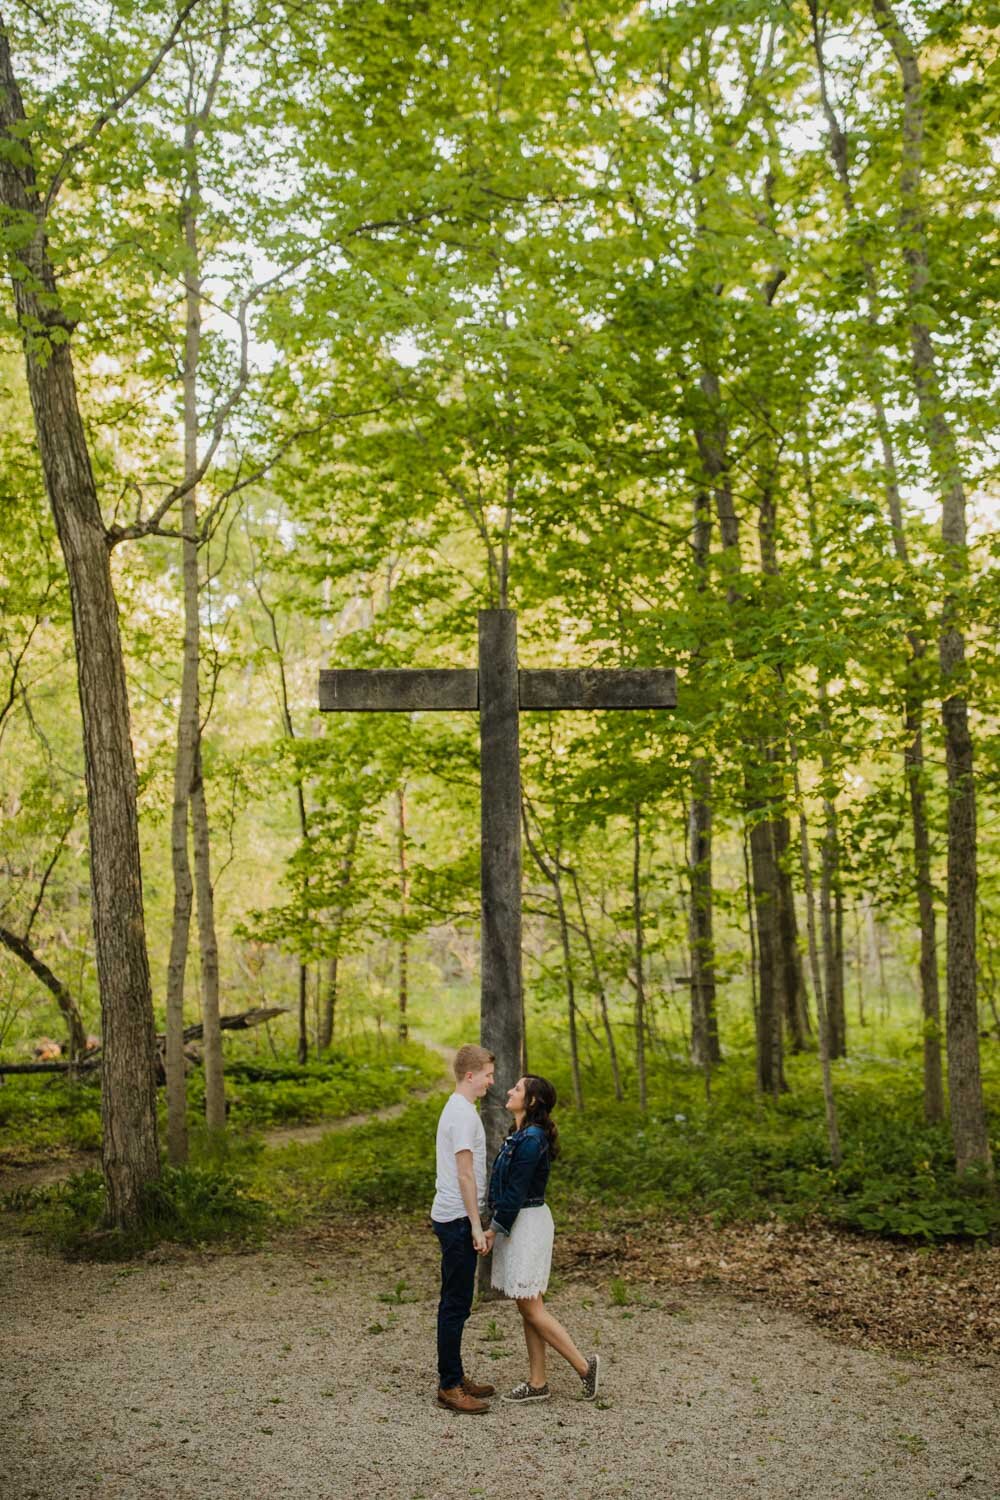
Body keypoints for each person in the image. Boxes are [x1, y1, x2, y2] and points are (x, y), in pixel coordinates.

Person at [484, 1074, 600, 1404]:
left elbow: (517, 1191)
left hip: (527, 1223)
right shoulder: (519, 1135)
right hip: (519, 1220)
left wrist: (494, 1228)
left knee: (532, 1307)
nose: (509, 1091)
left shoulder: (532, 1139)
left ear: (532, 1101)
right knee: (527, 1303)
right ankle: (538, 1383)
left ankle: (583, 1367)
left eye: (517, 1089)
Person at [430, 1043, 497, 1414]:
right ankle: (450, 1385)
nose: (491, 1081)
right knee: (455, 1304)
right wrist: (475, 1224)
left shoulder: (461, 1110)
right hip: (456, 1218)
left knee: (458, 1302)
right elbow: (465, 1172)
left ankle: (454, 1373)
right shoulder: (463, 1115)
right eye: (487, 1075)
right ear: (470, 1075)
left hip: (456, 1216)